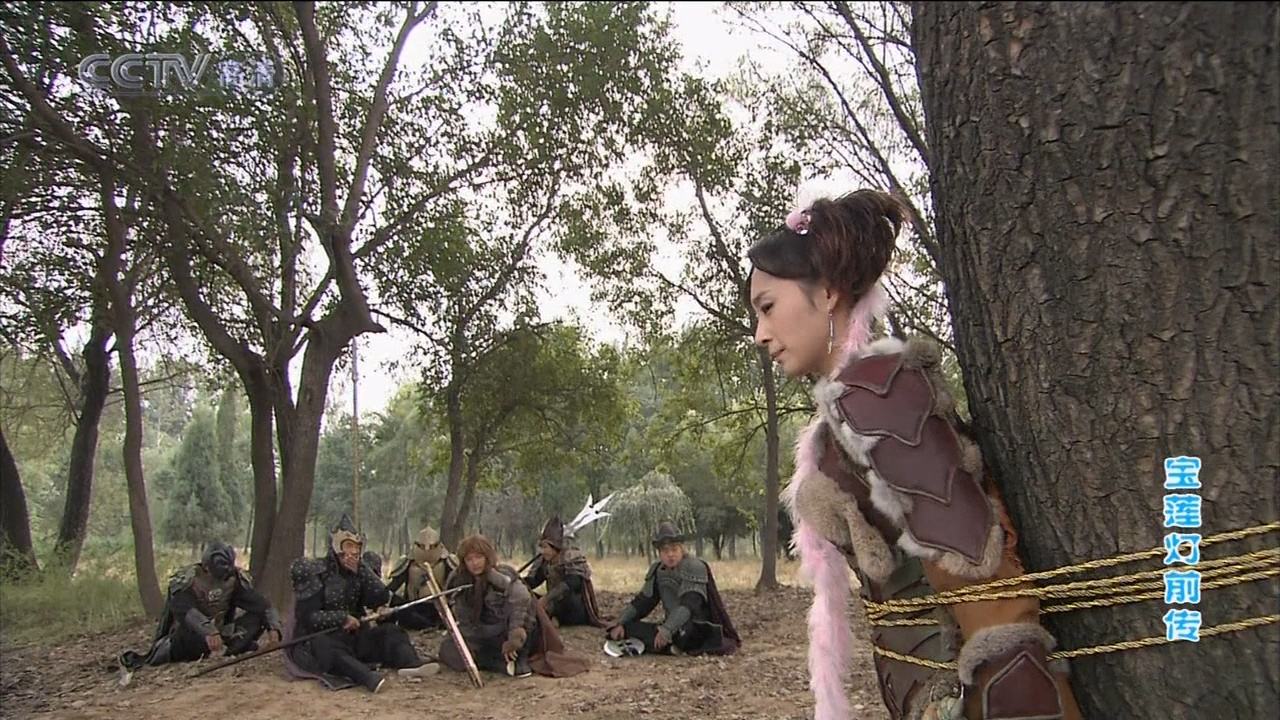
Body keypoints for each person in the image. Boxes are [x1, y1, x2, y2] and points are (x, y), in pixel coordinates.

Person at [749, 190, 1083, 720]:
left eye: (767, 308)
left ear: (829, 293)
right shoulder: (849, 408)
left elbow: (984, 586)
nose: (760, 334)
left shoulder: (881, 398)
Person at [281, 513, 438, 693]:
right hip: (322, 641)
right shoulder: (315, 572)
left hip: (354, 638)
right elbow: (307, 618)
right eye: (349, 546)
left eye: (357, 547)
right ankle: (367, 678)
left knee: (391, 631)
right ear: (336, 546)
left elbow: (381, 596)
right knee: (325, 645)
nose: (354, 552)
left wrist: (362, 571)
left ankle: (411, 664)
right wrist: (342, 618)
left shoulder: (359, 572)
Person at [439, 533, 591, 680]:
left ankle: (513, 661)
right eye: (469, 559)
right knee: (448, 650)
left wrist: (515, 636)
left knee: (517, 645)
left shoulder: (501, 576)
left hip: (505, 631)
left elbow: (521, 601)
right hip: (481, 634)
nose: (475, 563)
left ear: (487, 557)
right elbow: (463, 616)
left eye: (478, 557)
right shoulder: (460, 580)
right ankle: (497, 663)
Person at [118, 542, 282, 671]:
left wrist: (273, 627)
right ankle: (218, 649)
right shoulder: (188, 581)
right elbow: (185, 610)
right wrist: (208, 631)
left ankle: (227, 648)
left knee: (258, 617)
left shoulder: (233, 579)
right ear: (206, 567)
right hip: (190, 635)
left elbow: (261, 604)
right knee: (191, 632)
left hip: (222, 633)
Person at [604, 522, 740, 657]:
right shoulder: (658, 570)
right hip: (671, 628)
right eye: (665, 551)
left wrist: (667, 629)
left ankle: (669, 646)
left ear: (682, 549)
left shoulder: (694, 567)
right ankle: (670, 648)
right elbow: (643, 602)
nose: (670, 554)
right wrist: (621, 622)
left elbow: (689, 605)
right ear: (660, 553)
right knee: (629, 628)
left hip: (694, 628)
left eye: (674, 549)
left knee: (687, 635)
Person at [522, 515, 608, 628]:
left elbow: (572, 583)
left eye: (545, 547)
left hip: (574, 609)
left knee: (565, 596)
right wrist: (517, 584)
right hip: (554, 604)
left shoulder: (571, 557)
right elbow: (534, 581)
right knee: (527, 595)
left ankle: (556, 618)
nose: (543, 551)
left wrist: (546, 599)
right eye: (542, 547)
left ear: (555, 546)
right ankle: (549, 616)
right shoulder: (545, 562)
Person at [385, 526, 458, 630]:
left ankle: (437, 624)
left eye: (432, 546)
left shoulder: (448, 561)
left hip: (440, 608)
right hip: (414, 607)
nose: (427, 550)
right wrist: (383, 604)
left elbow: (458, 584)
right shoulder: (408, 562)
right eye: (422, 546)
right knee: (399, 607)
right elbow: (392, 587)